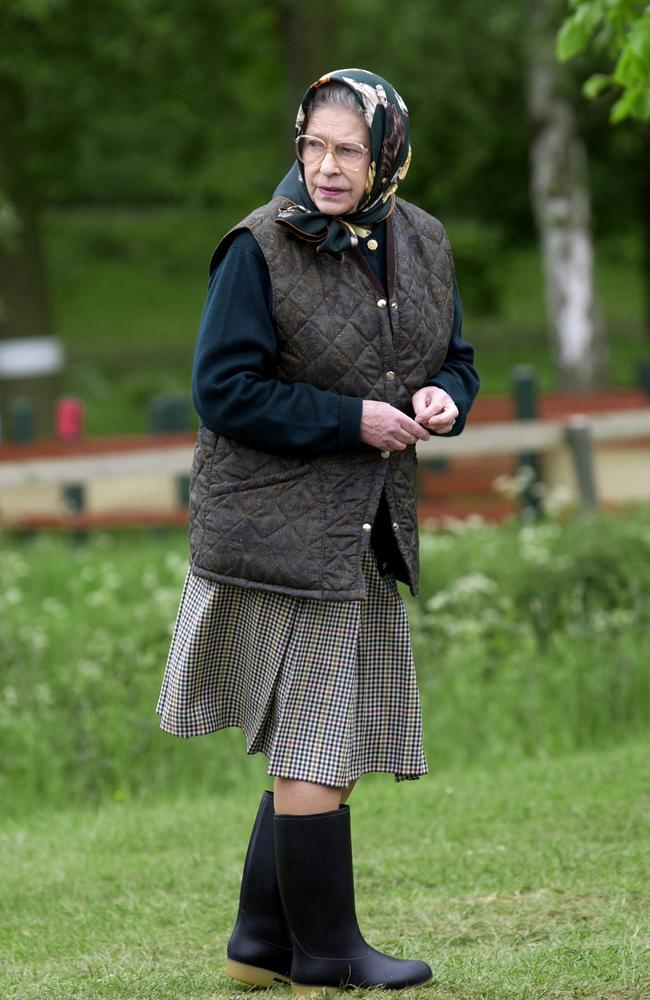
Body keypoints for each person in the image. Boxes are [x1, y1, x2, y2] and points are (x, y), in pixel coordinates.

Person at [156, 67, 479, 993]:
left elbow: (457, 359)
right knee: (321, 745)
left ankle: (261, 943)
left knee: (318, 738)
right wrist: (355, 421)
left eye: (348, 150)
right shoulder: (258, 248)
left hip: (367, 530)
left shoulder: (421, 240)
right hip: (276, 534)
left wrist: (443, 399)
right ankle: (328, 953)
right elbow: (223, 392)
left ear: (388, 156)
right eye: (313, 146)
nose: (327, 168)